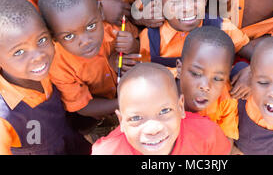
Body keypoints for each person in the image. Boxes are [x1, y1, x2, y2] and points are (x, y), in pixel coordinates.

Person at [0, 0, 91, 154]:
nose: (38, 56)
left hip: (68, 140)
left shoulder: (42, 67)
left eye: (42, 40)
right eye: (19, 52)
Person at [37, 0, 140, 129]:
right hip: (105, 110)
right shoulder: (57, 64)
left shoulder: (113, 28)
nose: (85, 41)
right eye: (69, 36)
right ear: (53, 36)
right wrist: (124, 103)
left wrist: (132, 46)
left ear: (100, 13)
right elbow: (83, 107)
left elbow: (140, 49)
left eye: (91, 26)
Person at [138, 0, 255, 79]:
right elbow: (144, 73)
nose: (188, 8)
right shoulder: (150, 38)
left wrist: (249, 71)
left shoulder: (221, 28)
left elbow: (252, 51)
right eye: (175, 2)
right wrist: (175, 73)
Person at [91, 63, 231, 155]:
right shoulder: (108, 152)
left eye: (164, 111)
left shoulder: (206, 133)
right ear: (121, 121)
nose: (153, 129)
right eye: (136, 118)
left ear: (180, 107)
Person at [176, 26, 239, 143]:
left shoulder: (226, 101)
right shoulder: (161, 90)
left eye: (217, 78)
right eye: (196, 73)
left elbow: (226, 140)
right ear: (179, 69)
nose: (205, 86)